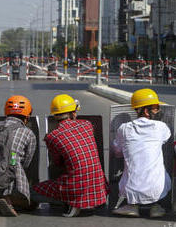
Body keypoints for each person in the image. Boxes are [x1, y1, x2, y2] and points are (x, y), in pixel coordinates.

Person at [31, 94, 108, 217]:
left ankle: (73, 203)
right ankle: (90, 201)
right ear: (73, 113)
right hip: (99, 187)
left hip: (74, 187)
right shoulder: (87, 125)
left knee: (34, 192)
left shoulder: (53, 136)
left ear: (55, 115)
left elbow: (57, 163)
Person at [112, 88, 171, 218]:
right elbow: (165, 139)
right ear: (145, 110)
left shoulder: (124, 129)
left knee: (129, 173)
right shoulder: (161, 127)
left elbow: (117, 152)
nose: (158, 110)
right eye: (155, 107)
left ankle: (132, 206)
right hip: (158, 188)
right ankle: (156, 206)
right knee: (161, 171)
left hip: (131, 189)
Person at [0, 95, 37, 217]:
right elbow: (27, 163)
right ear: (27, 115)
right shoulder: (28, 133)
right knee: (33, 204)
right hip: (11, 175)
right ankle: (10, 200)